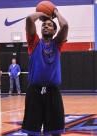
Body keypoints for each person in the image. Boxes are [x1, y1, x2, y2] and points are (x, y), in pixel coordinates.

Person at [22, 5, 68, 136]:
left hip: (53, 93)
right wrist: (43, 13)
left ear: (54, 31)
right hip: (34, 92)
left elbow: (65, 26)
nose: (46, 26)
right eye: (44, 25)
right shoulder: (34, 42)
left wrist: (55, 12)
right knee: (32, 133)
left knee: (56, 132)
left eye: (49, 25)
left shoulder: (57, 43)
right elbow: (29, 19)